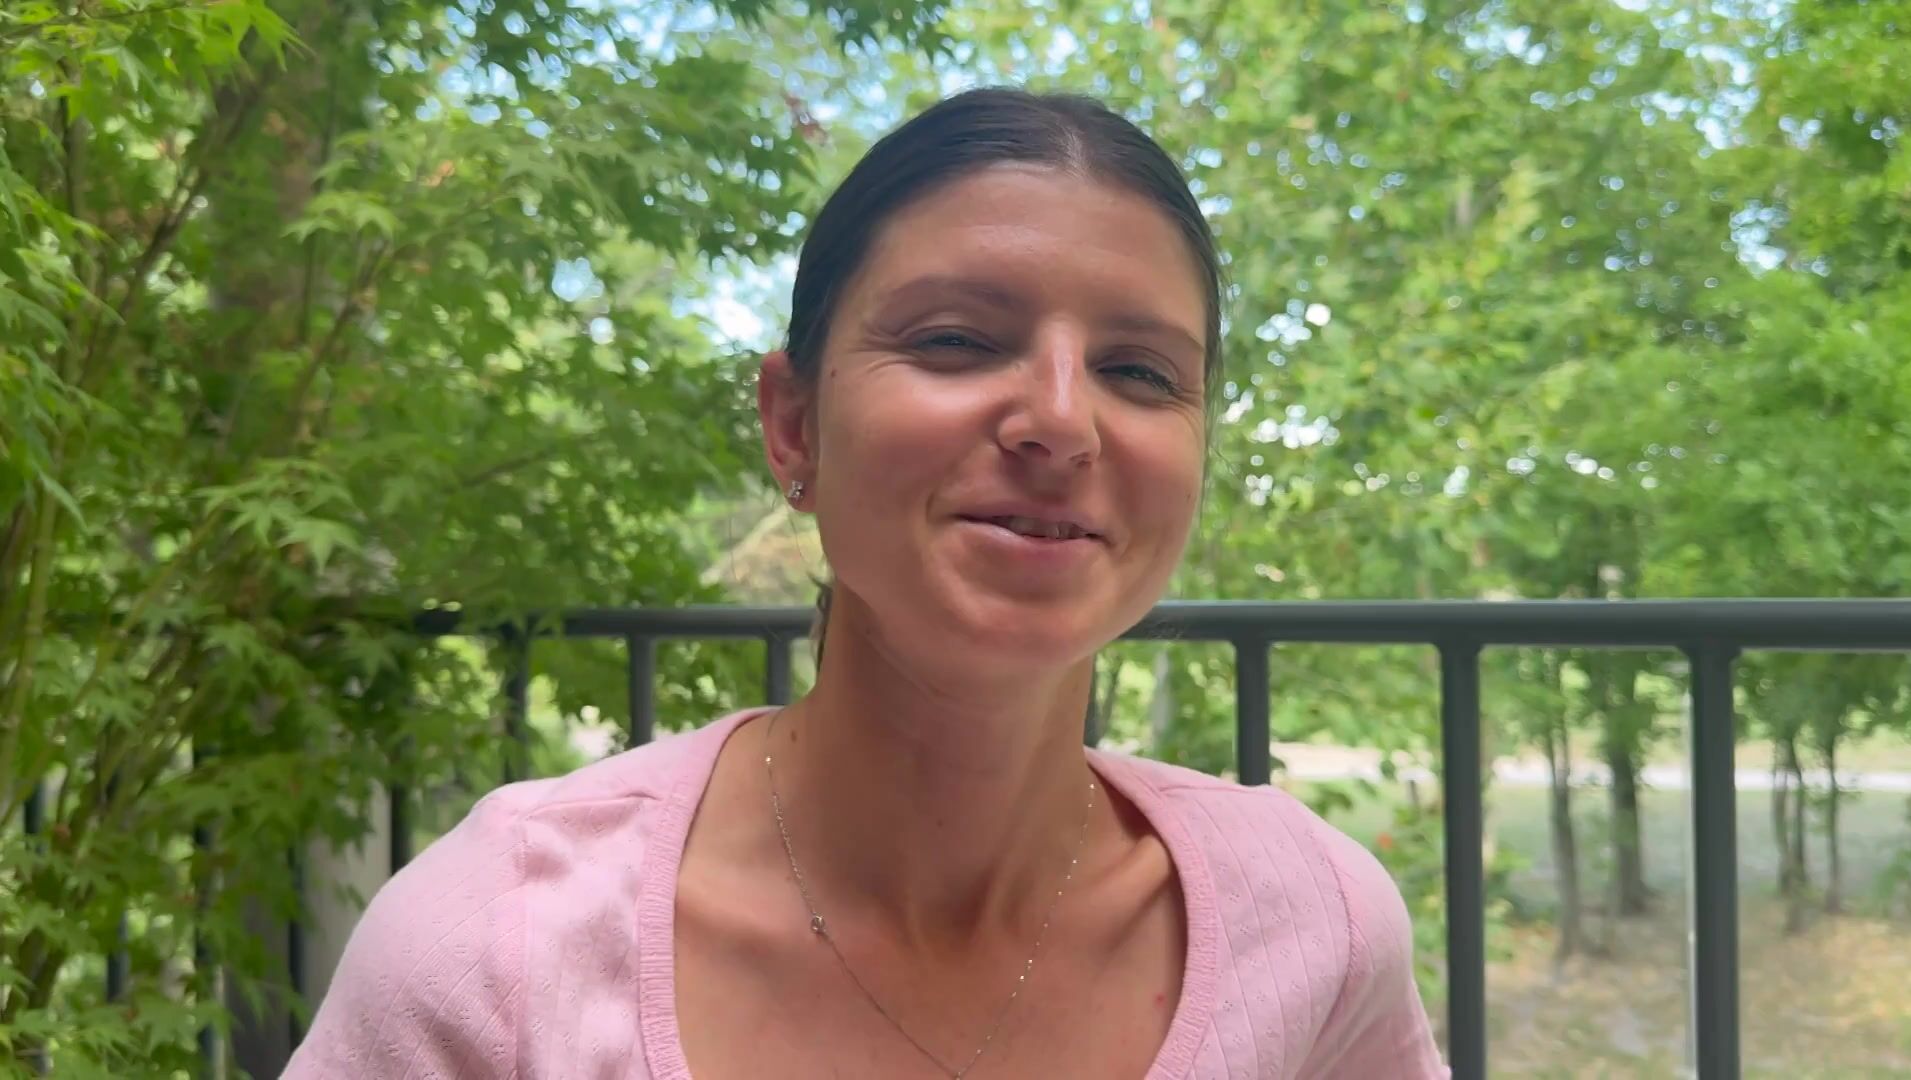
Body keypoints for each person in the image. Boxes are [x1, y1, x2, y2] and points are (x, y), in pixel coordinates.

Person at [283, 87, 1448, 1079]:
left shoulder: (1314, 930)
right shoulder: (502, 947)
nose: (1061, 419)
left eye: (1139, 371)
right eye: (955, 340)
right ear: (793, 426)